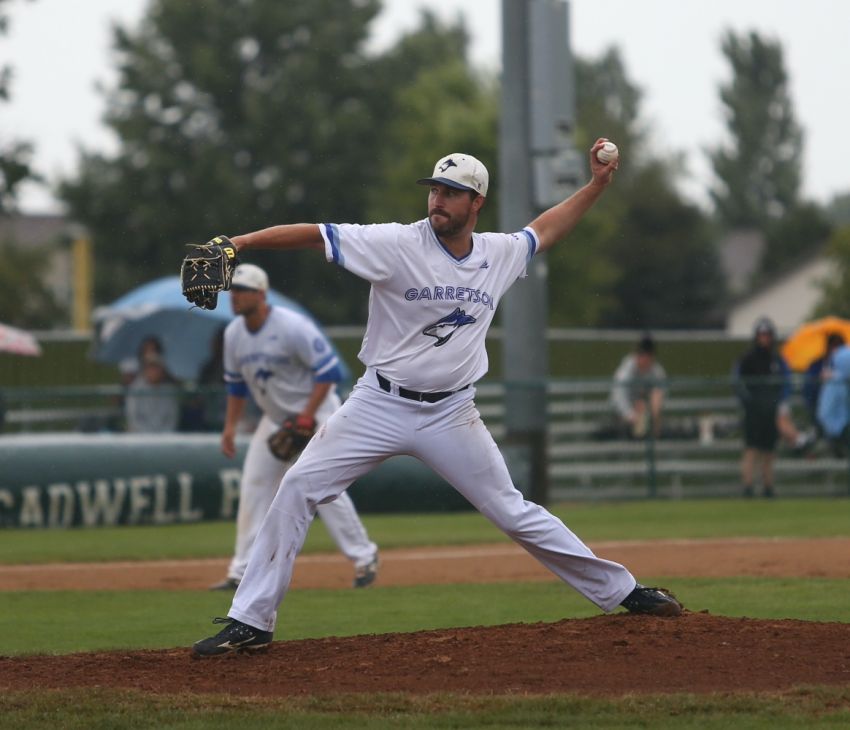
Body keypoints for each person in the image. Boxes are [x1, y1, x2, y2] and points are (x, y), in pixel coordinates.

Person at [192, 141, 683, 657]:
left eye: (453, 193)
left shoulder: (497, 254)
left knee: (512, 510)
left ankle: (623, 591)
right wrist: (242, 242)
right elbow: (317, 234)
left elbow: (546, 229)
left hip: (451, 412)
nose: (438, 200)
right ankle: (251, 621)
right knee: (297, 487)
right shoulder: (396, 243)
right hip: (378, 403)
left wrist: (596, 186)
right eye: (435, 190)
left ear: (477, 204)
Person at [207, 262, 379, 592]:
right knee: (255, 486)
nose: (235, 297)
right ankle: (240, 571)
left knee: (324, 490)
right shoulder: (233, 334)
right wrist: (229, 428)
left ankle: (364, 556)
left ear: (261, 294)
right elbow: (236, 386)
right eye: (233, 291)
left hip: (317, 415)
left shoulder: (292, 326)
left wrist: (306, 416)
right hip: (275, 419)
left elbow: (329, 373)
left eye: (243, 291)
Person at [733, 317, 812, 499]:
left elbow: (786, 383)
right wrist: (748, 401)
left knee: (769, 451)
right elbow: (737, 382)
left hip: (771, 409)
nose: (765, 339)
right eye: (761, 335)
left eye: (767, 335)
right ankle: (748, 487)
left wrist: (780, 402)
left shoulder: (777, 359)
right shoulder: (747, 358)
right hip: (754, 410)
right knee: (751, 448)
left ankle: (768, 487)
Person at [610, 333, 667, 439]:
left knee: (655, 397)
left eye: (649, 355)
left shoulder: (657, 371)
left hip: (648, 417)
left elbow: (660, 396)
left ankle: (654, 440)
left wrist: (648, 409)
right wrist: (631, 415)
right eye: (642, 354)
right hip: (623, 418)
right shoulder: (625, 371)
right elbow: (618, 399)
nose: (646, 359)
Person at [124, 352, 181, 433]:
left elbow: (172, 419)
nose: (153, 371)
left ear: (162, 370)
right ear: (144, 370)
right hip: (139, 437)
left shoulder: (169, 390)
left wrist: (162, 436)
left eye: (156, 367)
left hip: (165, 439)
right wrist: (149, 437)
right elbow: (133, 418)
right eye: (150, 367)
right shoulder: (135, 389)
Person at [802, 332, 846, 429]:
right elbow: (809, 384)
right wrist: (820, 378)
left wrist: (835, 376)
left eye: (839, 346)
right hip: (818, 401)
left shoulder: (845, 364)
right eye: (833, 346)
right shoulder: (817, 363)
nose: (836, 350)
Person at [816, 343, 850, 455]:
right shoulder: (835, 382)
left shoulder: (835, 380)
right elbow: (825, 412)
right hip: (842, 430)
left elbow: (824, 412)